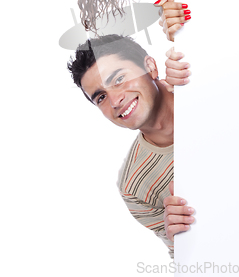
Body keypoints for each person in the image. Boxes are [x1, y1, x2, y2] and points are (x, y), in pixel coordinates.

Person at [67, 34, 195, 258]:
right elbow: (189, 261)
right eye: (101, 98)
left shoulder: (199, 80)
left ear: (150, 67)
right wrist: (182, 238)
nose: (115, 101)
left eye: (118, 79)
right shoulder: (134, 187)